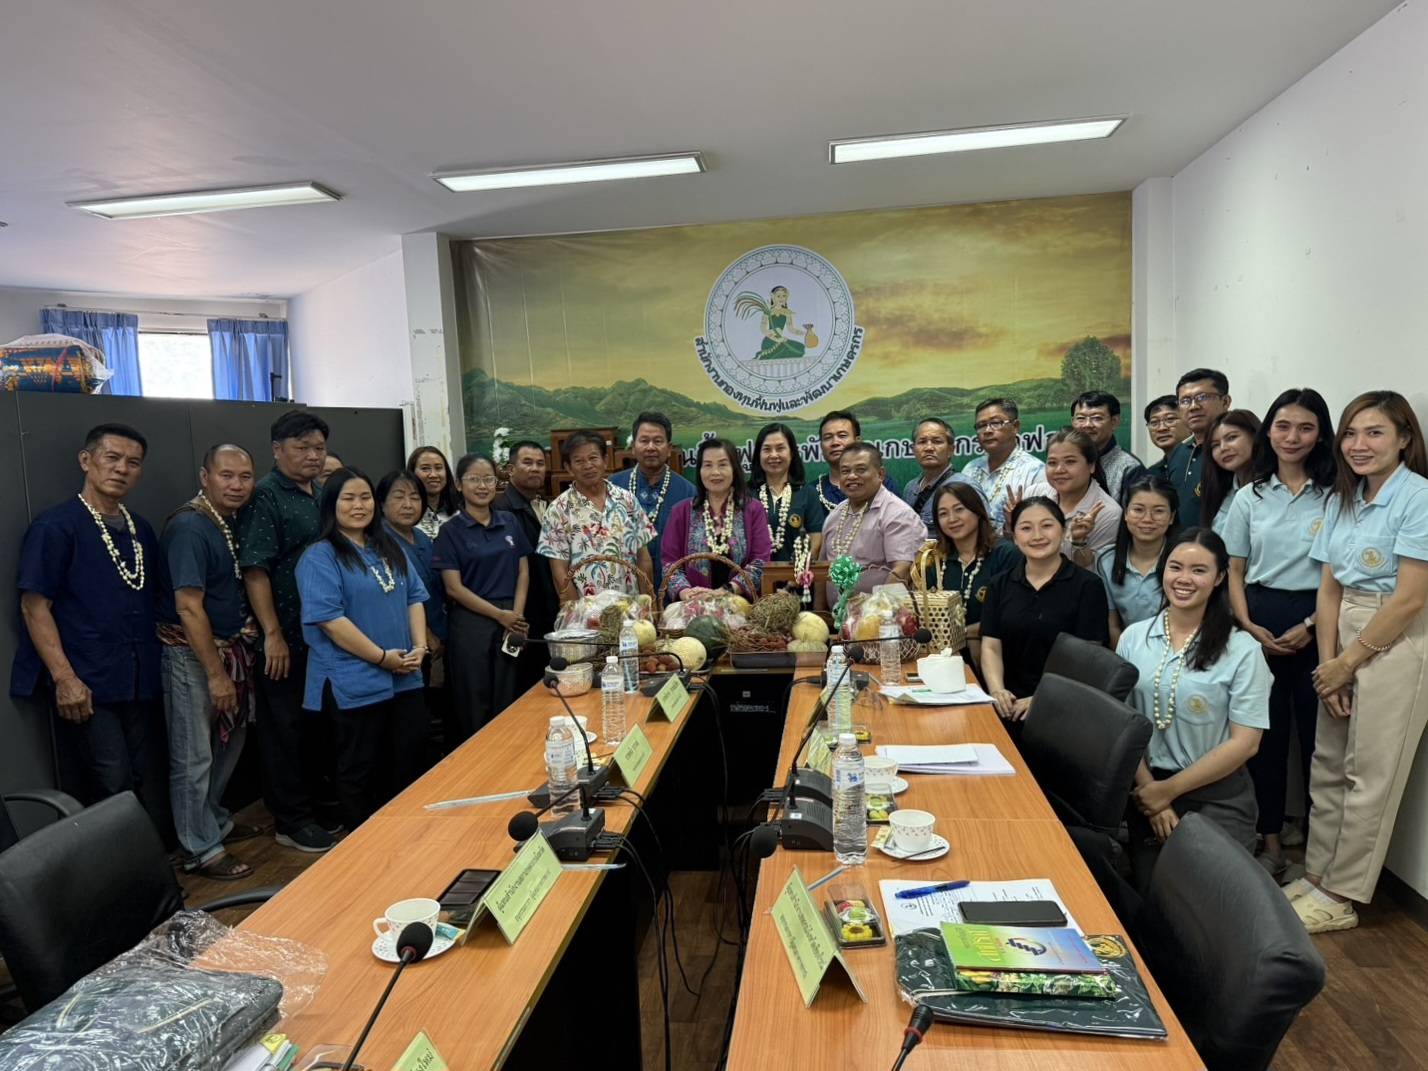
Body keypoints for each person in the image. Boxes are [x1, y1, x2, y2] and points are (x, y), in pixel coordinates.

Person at [1292, 391, 1428, 934]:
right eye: (1350, 433)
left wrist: (1348, 663)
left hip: (1394, 636)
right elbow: (1329, 590)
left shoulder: (1417, 497)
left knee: (1370, 774)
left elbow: (1411, 598)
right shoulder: (1342, 499)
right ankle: (1316, 876)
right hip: (1343, 629)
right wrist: (1330, 666)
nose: (1359, 444)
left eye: (1374, 433)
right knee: (1328, 764)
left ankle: (1341, 894)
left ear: (1404, 439)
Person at [12, 424, 171, 838]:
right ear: (87, 460)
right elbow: (34, 606)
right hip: (88, 682)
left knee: (149, 777)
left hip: (139, 679)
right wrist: (64, 678)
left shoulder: (140, 529)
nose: (121, 469)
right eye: (111, 458)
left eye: (133, 463)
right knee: (111, 781)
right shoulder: (57, 527)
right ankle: (117, 873)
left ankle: (151, 866)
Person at [1223, 388, 1335, 879]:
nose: (1293, 437)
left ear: (1321, 435)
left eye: (1306, 428)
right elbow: (1234, 569)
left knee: (1318, 740)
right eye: (1283, 426)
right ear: (1268, 431)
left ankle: (1318, 851)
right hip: (1259, 617)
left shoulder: (1336, 493)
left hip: (1318, 618)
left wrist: (1311, 625)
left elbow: (1338, 573)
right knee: (1264, 739)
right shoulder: (1250, 495)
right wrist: (1247, 625)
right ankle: (1270, 841)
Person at [1117, 528, 1270, 889]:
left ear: (1219, 578)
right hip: (1147, 790)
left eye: (1199, 570)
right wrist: (1152, 792)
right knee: (1155, 902)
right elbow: (1123, 722)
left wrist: (1168, 791)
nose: (1184, 579)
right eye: (1175, 567)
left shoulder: (1243, 650)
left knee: (1212, 900)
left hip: (1216, 794)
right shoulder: (1133, 637)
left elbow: (1246, 744)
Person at [296, 468, 429, 832]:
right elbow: (330, 621)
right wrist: (382, 658)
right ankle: (366, 846)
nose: (359, 506)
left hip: (405, 675)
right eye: (349, 498)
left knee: (409, 762)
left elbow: (414, 598)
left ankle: (409, 839)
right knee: (361, 770)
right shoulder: (320, 556)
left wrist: (419, 647)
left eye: (365, 497)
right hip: (353, 680)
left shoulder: (388, 547)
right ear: (331, 505)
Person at [158, 444, 260, 880]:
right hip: (192, 656)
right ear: (205, 477)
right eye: (226, 475)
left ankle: (212, 822)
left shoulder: (228, 521)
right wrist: (216, 675)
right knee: (193, 754)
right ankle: (198, 848)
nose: (237, 485)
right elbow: (188, 606)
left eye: (245, 476)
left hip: (230, 650)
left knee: (228, 744)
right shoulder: (189, 527)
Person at [237, 408, 335, 853]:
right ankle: (290, 819)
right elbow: (256, 569)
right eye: (302, 448)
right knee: (284, 729)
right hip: (286, 637)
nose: (313, 456)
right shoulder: (266, 496)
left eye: (319, 448)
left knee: (316, 726)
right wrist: (272, 634)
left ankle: (315, 805)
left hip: (322, 635)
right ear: (277, 450)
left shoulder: (321, 494)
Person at [980, 497, 1110, 724]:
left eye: (1047, 525)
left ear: (1064, 530)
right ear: (1014, 536)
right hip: (1007, 707)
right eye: (1026, 528)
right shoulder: (999, 584)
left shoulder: (1087, 585)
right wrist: (997, 690)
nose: (1037, 536)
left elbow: (1088, 657)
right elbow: (991, 645)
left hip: (1063, 710)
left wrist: (1042, 698)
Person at [438, 454, 533, 738]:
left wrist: (516, 616)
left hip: (511, 619)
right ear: (458, 484)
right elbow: (453, 588)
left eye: (488, 479)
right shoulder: (449, 531)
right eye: (474, 479)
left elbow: (523, 572)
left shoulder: (509, 521)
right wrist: (500, 615)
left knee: (510, 695)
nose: (482, 486)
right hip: (472, 623)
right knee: (475, 701)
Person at [378, 470, 450, 753]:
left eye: (414, 497)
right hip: (406, 645)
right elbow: (399, 598)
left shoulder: (421, 537)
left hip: (436, 635)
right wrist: (427, 635)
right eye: (399, 497)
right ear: (381, 503)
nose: (408, 504)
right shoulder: (379, 541)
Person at [539, 431, 656, 600]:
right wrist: (576, 612)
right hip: (586, 611)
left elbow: (643, 558)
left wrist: (647, 604)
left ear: (605, 461)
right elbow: (559, 573)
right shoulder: (557, 510)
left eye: (593, 458)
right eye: (579, 461)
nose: (588, 465)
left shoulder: (628, 500)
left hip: (631, 608)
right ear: (568, 468)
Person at [918, 482, 1021, 662]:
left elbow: (1012, 616)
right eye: (943, 514)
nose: (952, 519)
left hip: (999, 657)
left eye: (959, 509)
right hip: (944, 659)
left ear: (977, 511)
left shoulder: (1006, 555)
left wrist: (966, 633)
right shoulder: (936, 560)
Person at [661, 438, 772, 600]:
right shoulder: (681, 511)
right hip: (693, 604)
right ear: (699, 470)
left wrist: (727, 591)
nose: (715, 472)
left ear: (734, 469)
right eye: (708, 465)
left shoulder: (753, 509)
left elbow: (760, 561)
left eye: (722, 464)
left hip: (740, 605)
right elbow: (669, 564)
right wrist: (686, 592)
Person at [817, 444, 926, 604]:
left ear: (880, 474)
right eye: (845, 471)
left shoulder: (897, 514)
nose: (851, 476)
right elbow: (821, 569)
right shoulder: (835, 515)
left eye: (860, 470)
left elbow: (902, 571)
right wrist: (819, 614)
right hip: (835, 617)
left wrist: (874, 613)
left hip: (882, 616)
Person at [494, 441, 560, 693]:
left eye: (540, 463)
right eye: (527, 462)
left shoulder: (547, 505)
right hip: (521, 614)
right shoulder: (501, 510)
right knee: (523, 687)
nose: (535, 469)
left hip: (549, 610)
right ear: (511, 469)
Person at [1096, 475, 1179, 648]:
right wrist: (1126, 659)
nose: (1147, 519)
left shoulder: (1184, 560)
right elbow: (1113, 625)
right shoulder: (1106, 560)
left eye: (1158, 511)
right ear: (1126, 513)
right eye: (1138, 510)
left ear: (1172, 517)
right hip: (1126, 651)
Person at [619, 412, 695, 584]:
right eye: (644, 441)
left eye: (658, 441)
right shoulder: (613, 486)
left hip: (674, 588)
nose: (651, 447)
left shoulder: (689, 492)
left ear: (669, 449)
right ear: (633, 447)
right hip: (623, 586)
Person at [962, 398, 1049, 531]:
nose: (987, 430)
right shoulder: (970, 468)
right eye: (981, 425)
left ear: (1015, 427)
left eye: (996, 423)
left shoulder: (1035, 471)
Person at [1043, 427, 1121, 567]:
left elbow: (1092, 570)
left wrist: (1079, 542)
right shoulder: (1035, 493)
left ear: (1091, 466)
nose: (1059, 470)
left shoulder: (1108, 513)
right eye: (1052, 463)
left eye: (1070, 462)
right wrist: (1011, 525)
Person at [749, 422, 825, 564]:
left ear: (792, 453)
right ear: (758, 455)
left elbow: (816, 539)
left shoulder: (808, 493)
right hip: (753, 576)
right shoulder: (746, 494)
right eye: (767, 449)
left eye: (780, 448)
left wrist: (797, 573)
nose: (773, 455)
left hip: (797, 575)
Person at [1166, 369, 1232, 527]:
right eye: (1185, 401)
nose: (1193, 407)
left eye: (1202, 397)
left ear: (1225, 402)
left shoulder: (1232, 451)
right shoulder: (1178, 452)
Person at [902, 417, 979, 533]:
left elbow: (984, 532)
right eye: (922, 442)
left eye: (937, 441)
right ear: (913, 450)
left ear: (951, 450)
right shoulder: (910, 488)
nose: (929, 448)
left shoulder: (965, 485)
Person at [811, 410, 895, 513]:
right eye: (827, 438)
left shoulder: (882, 483)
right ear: (821, 446)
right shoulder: (812, 491)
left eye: (842, 436)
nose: (835, 442)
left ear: (857, 441)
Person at [1072, 391, 1145, 501]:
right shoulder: (1066, 462)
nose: (1087, 424)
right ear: (1073, 422)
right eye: (1081, 418)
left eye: (1097, 418)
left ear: (1114, 422)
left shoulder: (1129, 467)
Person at [1201, 409, 1261, 530]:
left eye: (1231, 438)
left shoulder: (1275, 488)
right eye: (1215, 445)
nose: (1223, 448)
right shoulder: (1220, 493)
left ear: (1254, 436)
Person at [408, 446, 460, 539]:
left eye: (438, 468)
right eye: (425, 468)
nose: (433, 475)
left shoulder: (459, 514)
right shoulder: (405, 515)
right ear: (412, 473)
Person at [1144, 395, 1190, 480]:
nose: (1161, 428)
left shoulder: (1205, 462)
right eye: (1154, 422)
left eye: (1170, 419)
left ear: (1189, 423)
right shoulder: (1152, 474)